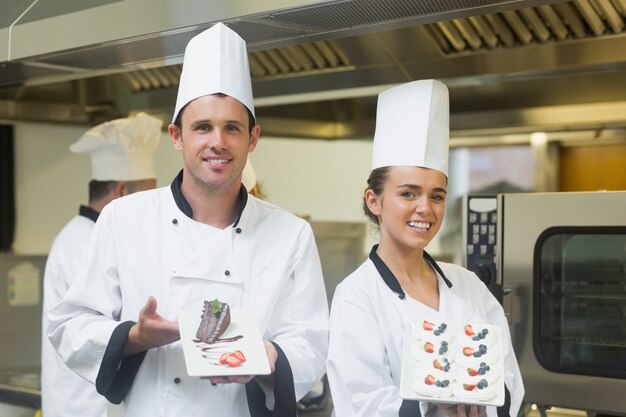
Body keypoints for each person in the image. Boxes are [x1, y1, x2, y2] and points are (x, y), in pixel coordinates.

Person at [47, 22, 328, 417]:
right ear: (177, 136)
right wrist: (134, 336)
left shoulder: (291, 234)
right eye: (202, 127)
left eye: (232, 127)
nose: (218, 142)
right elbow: (69, 325)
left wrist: (266, 356)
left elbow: (310, 341)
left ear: (253, 138)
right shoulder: (123, 219)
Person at [326, 79, 524, 417]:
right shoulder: (357, 296)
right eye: (408, 193)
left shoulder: (468, 286)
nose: (425, 208)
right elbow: (360, 404)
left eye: (436, 195)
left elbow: (508, 382)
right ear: (374, 200)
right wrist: (432, 404)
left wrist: (481, 404)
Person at [41, 112, 162, 417]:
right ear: (122, 192)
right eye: (149, 191)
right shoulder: (84, 242)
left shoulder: (86, 234)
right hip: (87, 405)